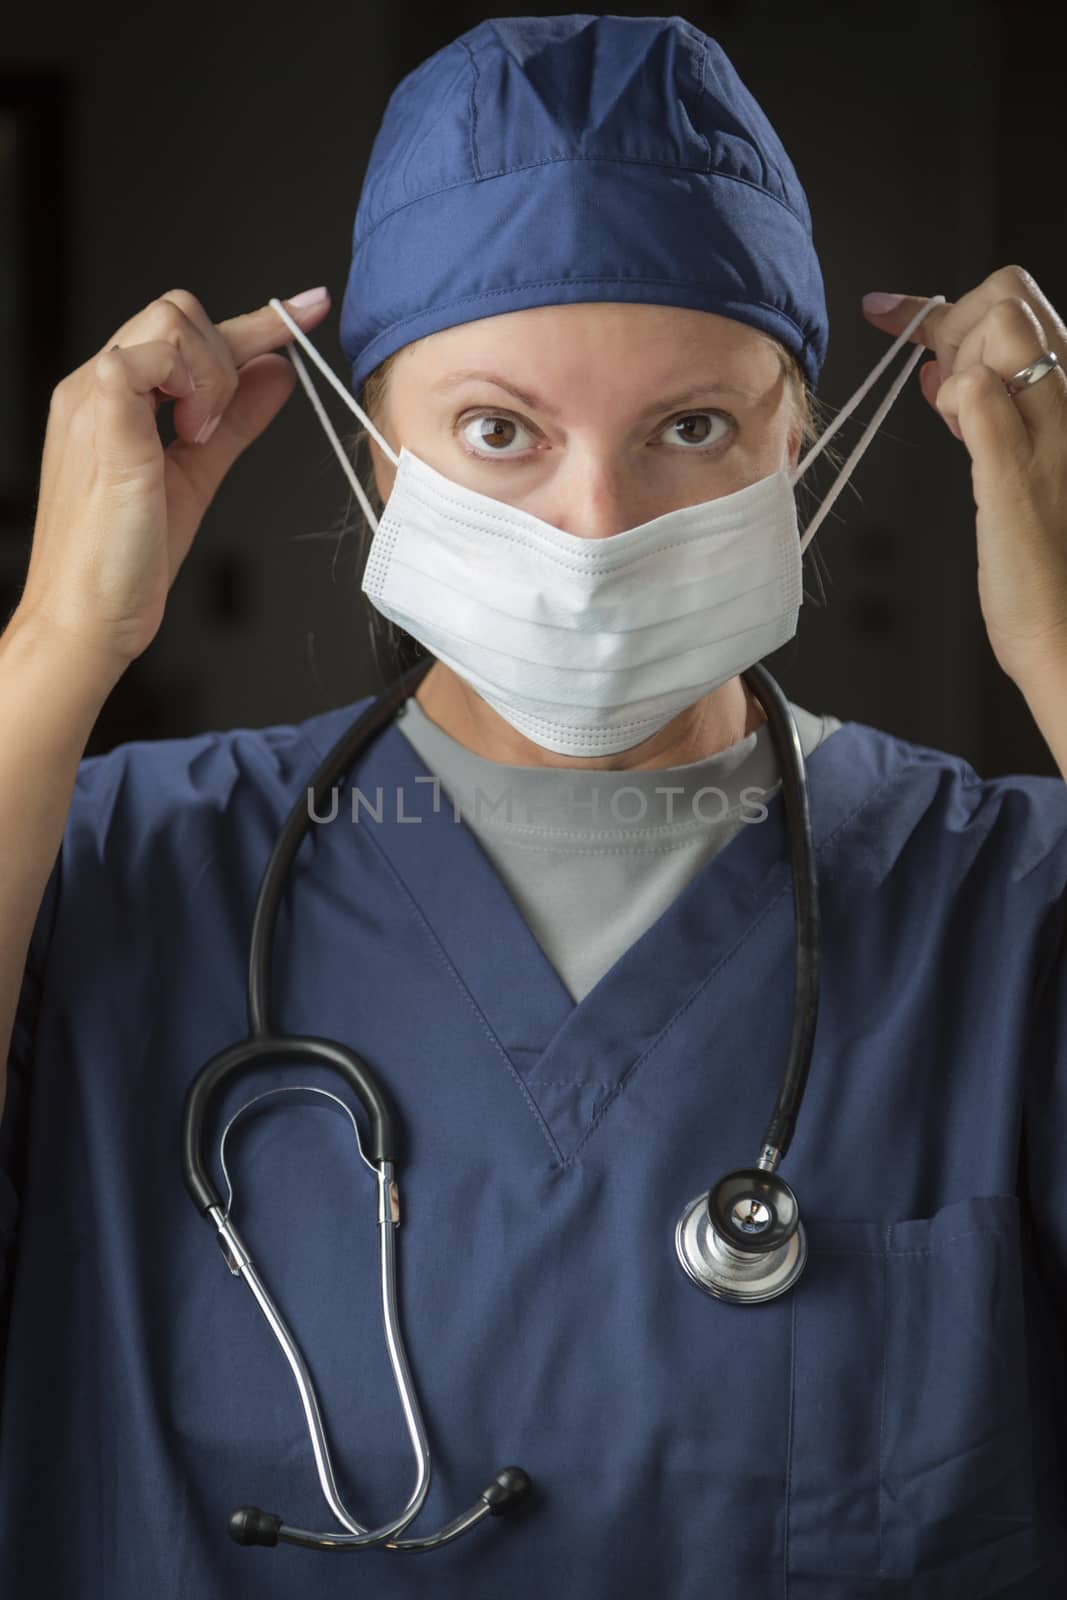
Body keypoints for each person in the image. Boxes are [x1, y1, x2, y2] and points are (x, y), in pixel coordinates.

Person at [1, 13, 1066, 1597]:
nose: (593, 529)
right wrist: (54, 646)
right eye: (500, 432)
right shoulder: (108, 862)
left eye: (690, 429)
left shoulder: (1000, 897)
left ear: (804, 442)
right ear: (377, 460)